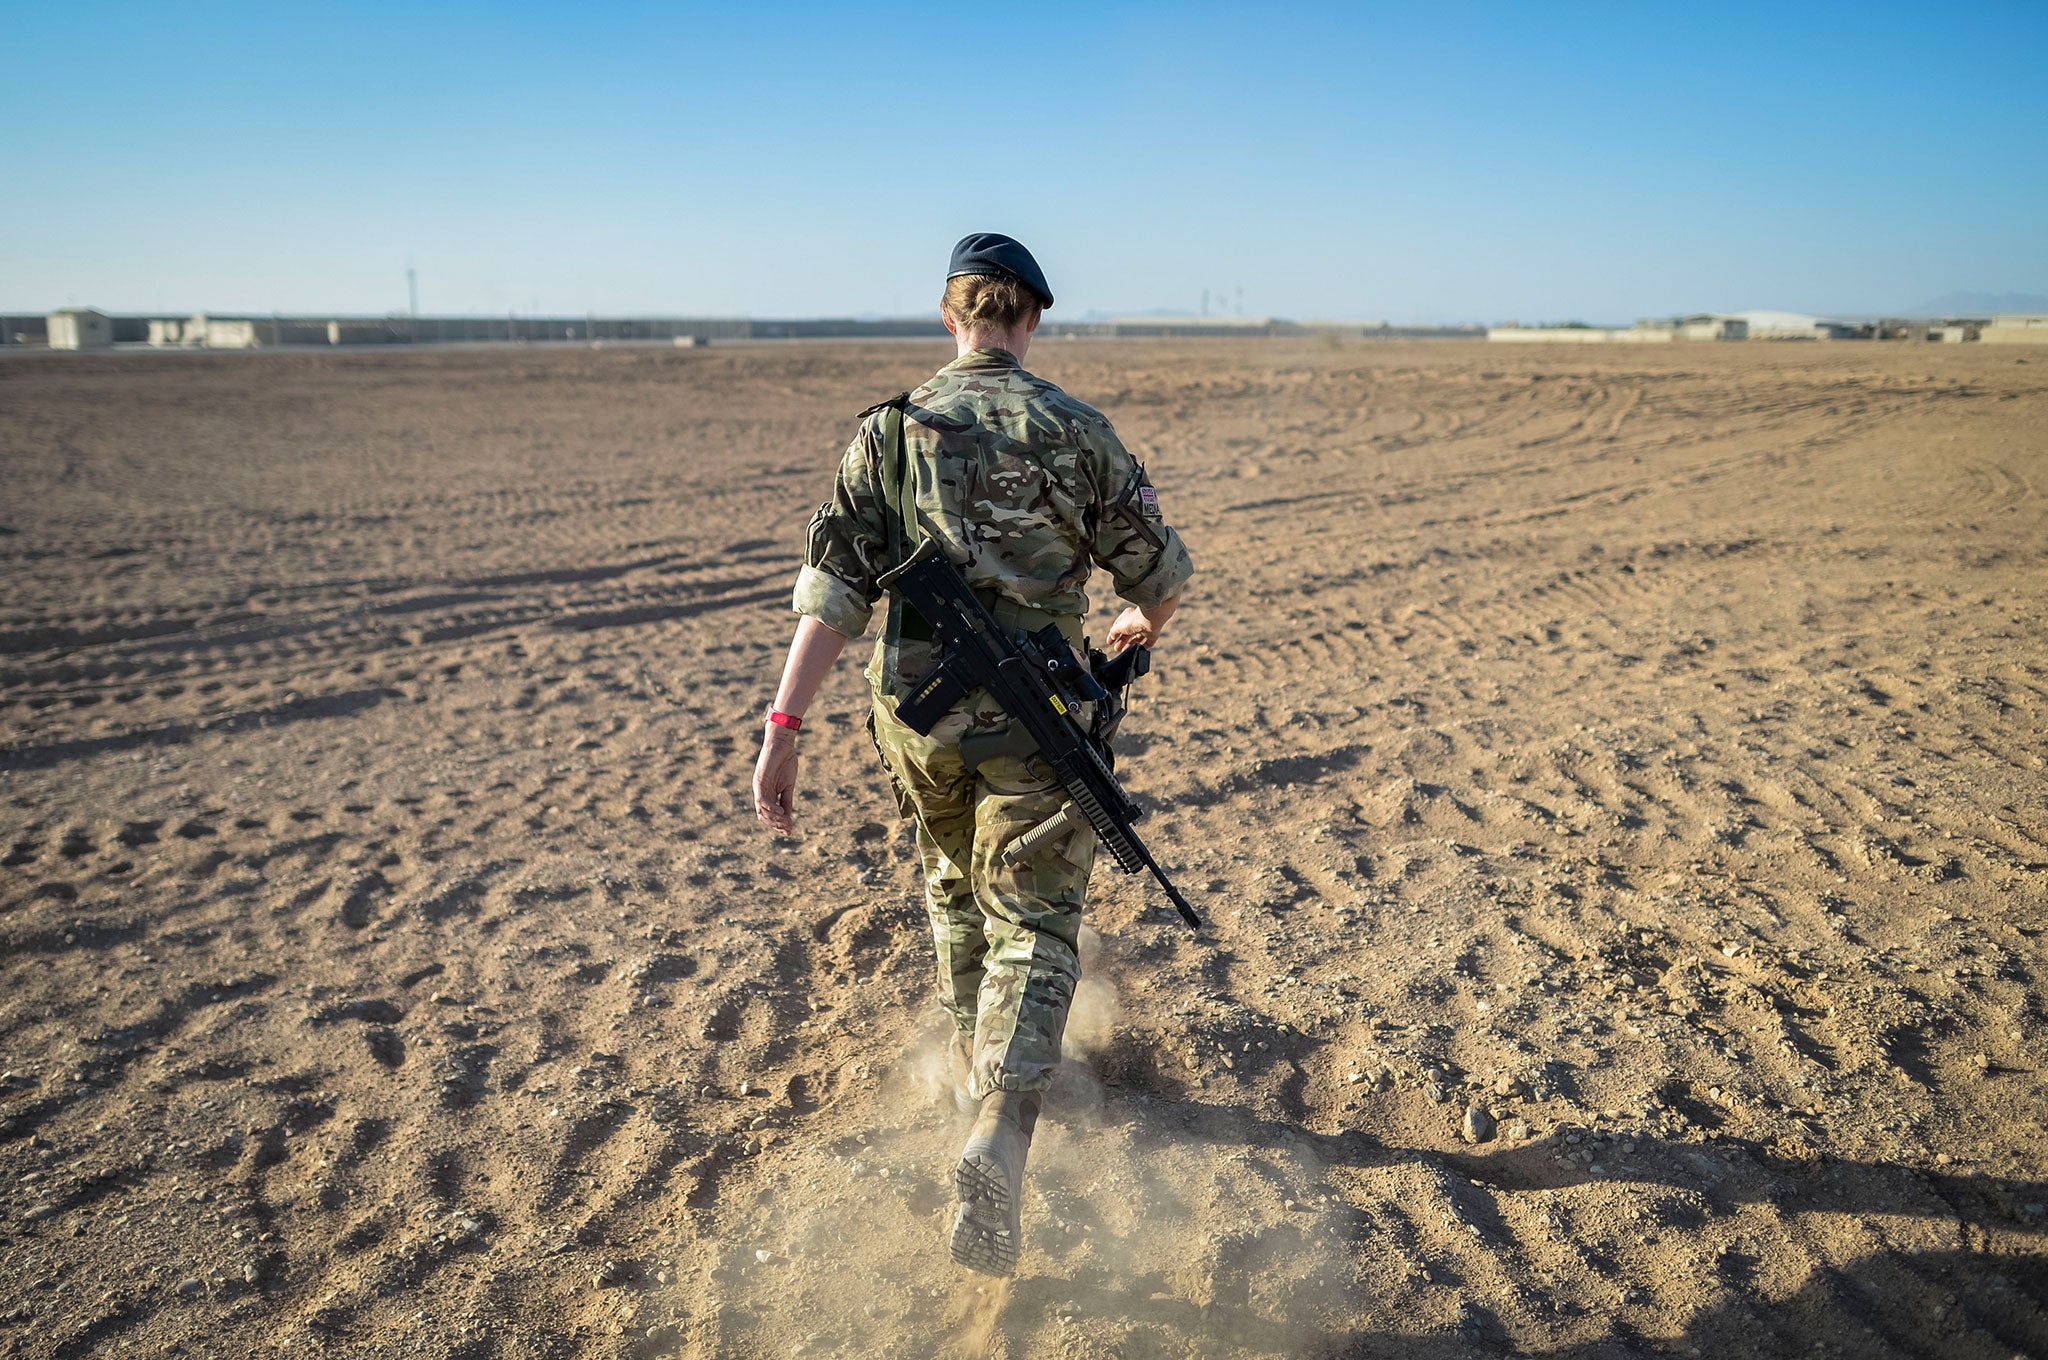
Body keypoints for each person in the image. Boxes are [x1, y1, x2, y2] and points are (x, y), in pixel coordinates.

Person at [752, 233, 1193, 1276]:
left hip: (916, 723)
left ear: (951, 319)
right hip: (1033, 726)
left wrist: (781, 728)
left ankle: (967, 1073)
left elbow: (832, 593)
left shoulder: (890, 431)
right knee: (1035, 920)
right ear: (1030, 320)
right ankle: (997, 1121)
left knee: (952, 886)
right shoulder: (1077, 432)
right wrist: (1137, 627)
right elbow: (1159, 576)